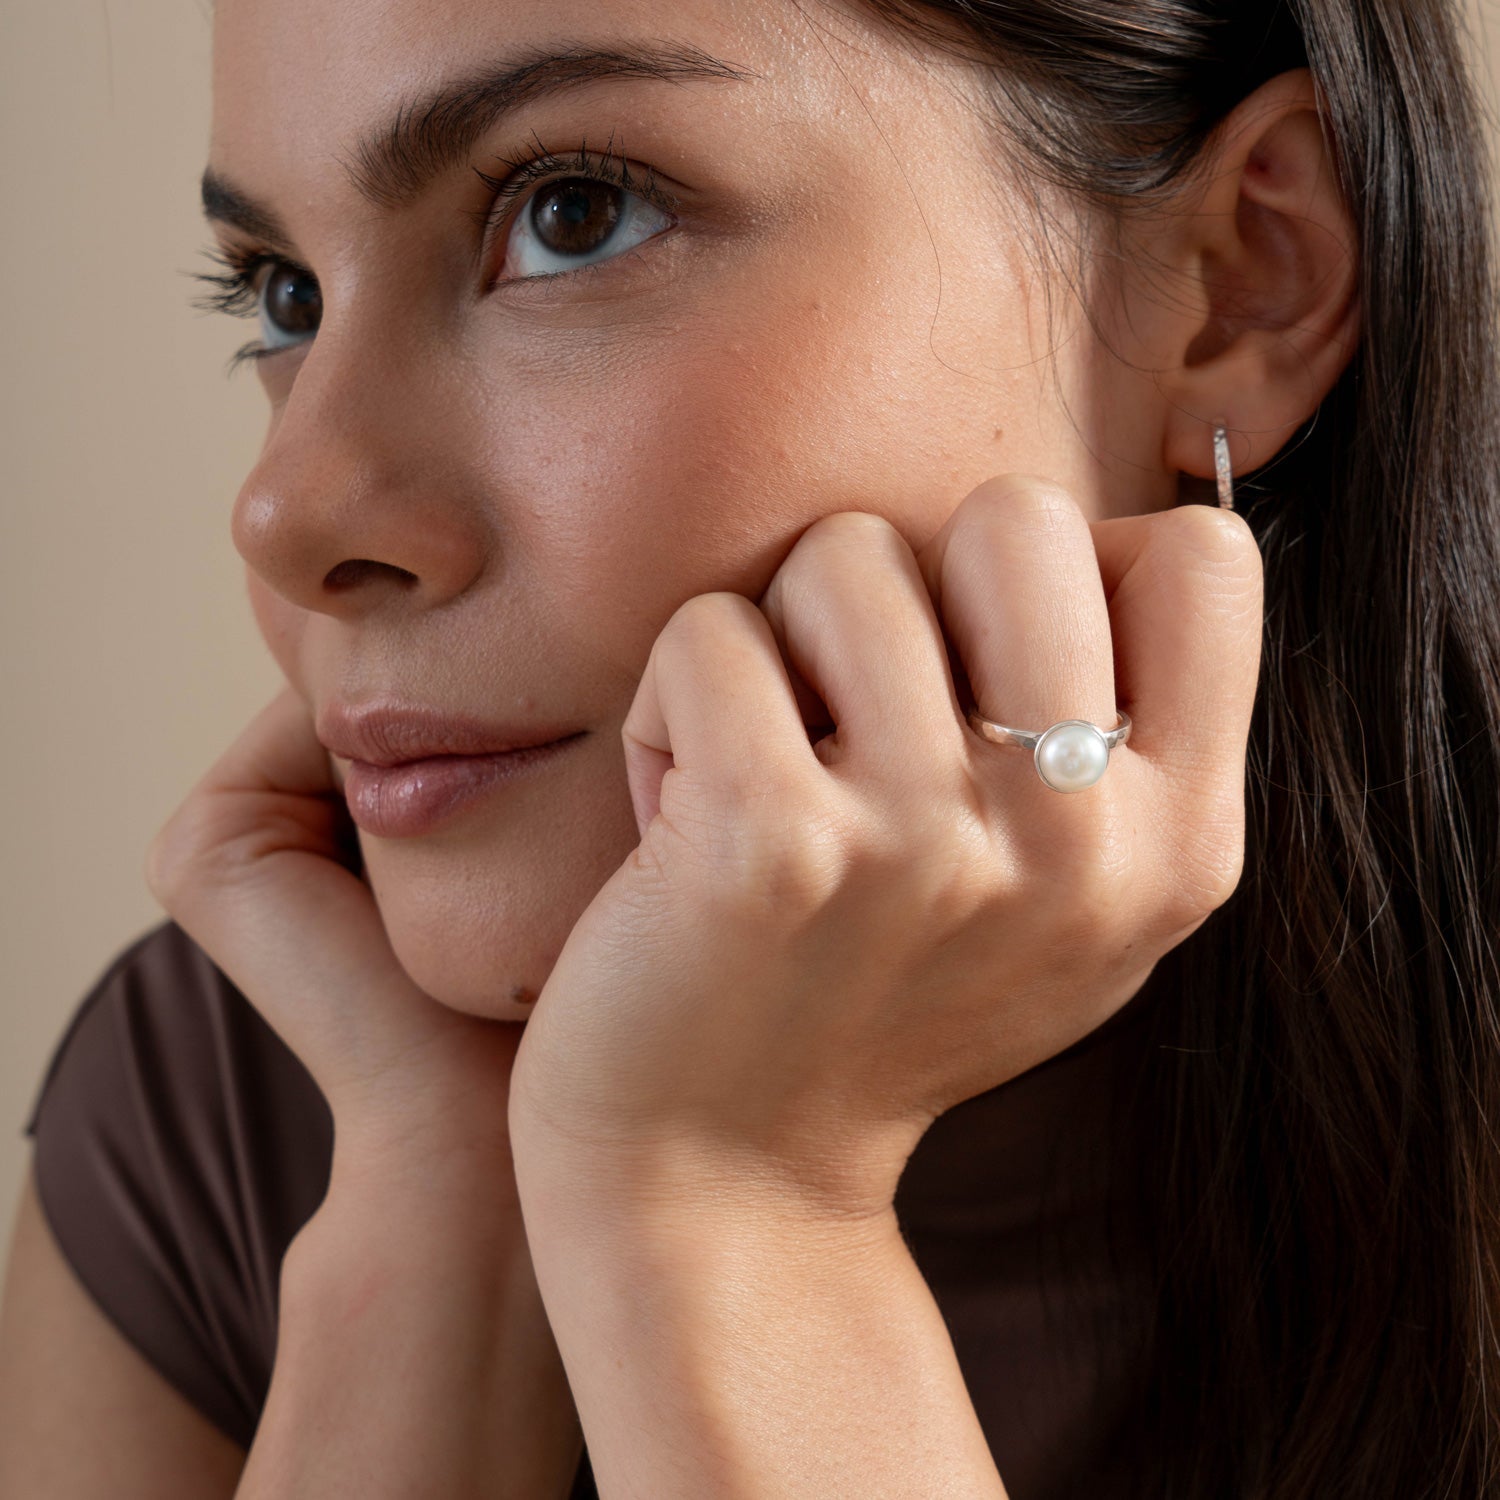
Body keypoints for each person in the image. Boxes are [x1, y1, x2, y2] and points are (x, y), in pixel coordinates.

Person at [3, 0, 1497, 1493]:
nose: (286, 512)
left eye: (575, 215)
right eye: (284, 295)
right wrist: (436, 1238)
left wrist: (725, 1205)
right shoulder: (252, 1091)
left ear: (1243, 283)